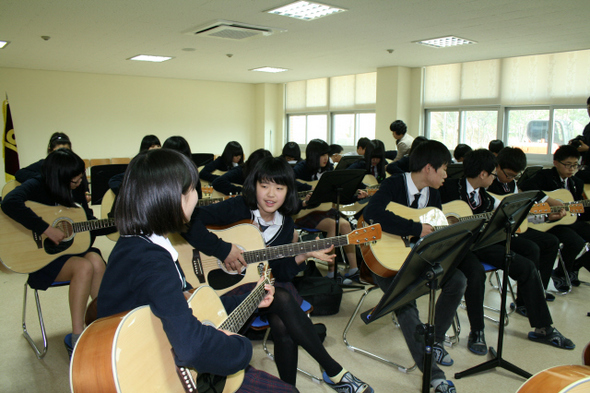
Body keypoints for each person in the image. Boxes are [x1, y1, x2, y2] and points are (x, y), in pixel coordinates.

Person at [96, 149, 299, 393]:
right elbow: (191, 347)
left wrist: (252, 298)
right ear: (174, 197)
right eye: (193, 189)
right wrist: (241, 348)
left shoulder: (136, 245)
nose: (196, 196)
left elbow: (181, 307)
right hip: (157, 376)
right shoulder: (153, 261)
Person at [181, 155, 373, 392]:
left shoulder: (286, 225)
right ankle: (332, 370)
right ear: (254, 186)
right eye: (264, 186)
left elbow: (280, 272)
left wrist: (304, 255)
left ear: (288, 191)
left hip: (260, 285)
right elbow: (190, 222)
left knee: (282, 320)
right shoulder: (238, 207)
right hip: (224, 289)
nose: (271, 194)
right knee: (282, 298)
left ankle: (289, 388)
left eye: (279, 188)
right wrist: (223, 250)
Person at [439, 149, 575, 352]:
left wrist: (546, 215)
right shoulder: (447, 188)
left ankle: (543, 327)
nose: (495, 178)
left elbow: (512, 209)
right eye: (493, 174)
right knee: (475, 274)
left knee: (527, 266)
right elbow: (433, 216)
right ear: (483, 174)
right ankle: (477, 331)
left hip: (482, 244)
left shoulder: (485, 197)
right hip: (457, 248)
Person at [363, 140, 466, 393]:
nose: (446, 174)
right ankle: (434, 374)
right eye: (443, 168)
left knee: (458, 280)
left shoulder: (434, 193)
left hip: (417, 259)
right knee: (406, 303)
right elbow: (372, 214)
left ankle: (436, 341)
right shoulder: (394, 184)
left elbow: (435, 230)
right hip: (385, 261)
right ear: (428, 168)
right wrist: (415, 228)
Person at [2, 148, 109, 354]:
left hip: (71, 250)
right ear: (59, 177)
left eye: (80, 180)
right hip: (42, 258)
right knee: (84, 267)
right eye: (74, 181)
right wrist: (46, 229)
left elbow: (87, 226)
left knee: (96, 260)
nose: (79, 184)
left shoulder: (77, 186)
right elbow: (9, 203)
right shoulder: (37, 185)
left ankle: (103, 322)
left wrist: (119, 224)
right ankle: (77, 337)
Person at [486, 147, 561, 304]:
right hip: (497, 233)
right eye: (509, 174)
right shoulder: (488, 185)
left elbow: (522, 214)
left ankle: (540, 289)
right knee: (531, 248)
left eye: (515, 175)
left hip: (514, 228)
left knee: (551, 242)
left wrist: (545, 217)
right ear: (497, 166)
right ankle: (525, 301)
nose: (511, 178)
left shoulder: (512, 184)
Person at [519, 144, 590, 291]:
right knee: (575, 242)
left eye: (575, 165)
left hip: (568, 220)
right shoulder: (545, 176)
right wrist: (550, 201)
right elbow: (527, 187)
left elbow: (578, 210)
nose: (571, 169)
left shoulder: (577, 182)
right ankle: (560, 273)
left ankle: (574, 267)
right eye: (568, 165)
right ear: (556, 162)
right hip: (549, 222)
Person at [293, 139, 363, 282]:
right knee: (333, 225)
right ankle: (332, 271)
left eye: (327, 154)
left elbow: (337, 196)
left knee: (345, 224)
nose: (326, 158)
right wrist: (308, 187)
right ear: (313, 156)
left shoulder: (329, 169)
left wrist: (356, 197)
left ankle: (354, 269)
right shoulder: (301, 168)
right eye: (322, 155)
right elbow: (289, 181)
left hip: (324, 211)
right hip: (304, 212)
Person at [15, 132, 91, 203]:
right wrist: (51, 178)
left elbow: (83, 191)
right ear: (50, 151)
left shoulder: (75, 168)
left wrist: (86, 195)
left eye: (66, 151)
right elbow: (19, 174)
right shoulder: (43, 165)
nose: (62, 156)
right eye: (58, 152)